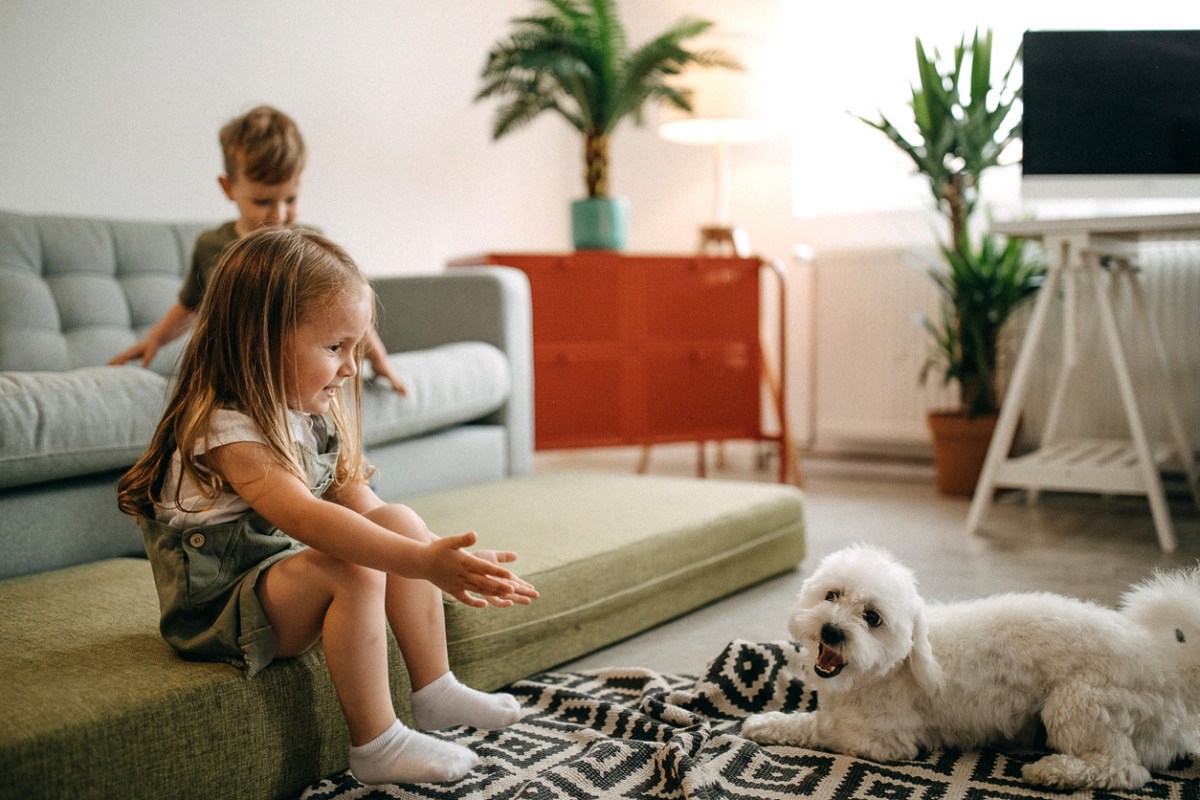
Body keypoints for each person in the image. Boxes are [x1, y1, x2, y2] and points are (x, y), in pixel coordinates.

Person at [116, 227, 537, 786]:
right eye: (335, 347)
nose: (349, 367)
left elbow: (353, 499)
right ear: (258, 342)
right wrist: (419, 564)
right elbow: (307, 517)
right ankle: (376, 744)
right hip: (218, 608)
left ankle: (436, 691)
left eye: (355, 348)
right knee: (353, 568)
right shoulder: (227, 428)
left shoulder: (305, 408)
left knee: (400, 522)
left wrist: (429, 552)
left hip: (275, 575)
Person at [108, 104, 406, 394]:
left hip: (292, 382)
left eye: (290, 199)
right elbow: (190, 305)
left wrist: (378, 359)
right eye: (263, 202)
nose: (278, 214)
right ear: (228, 188)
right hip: (229, 379)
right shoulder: (211, 246)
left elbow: (347, 313)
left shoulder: (311, 248)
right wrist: (155, 341)